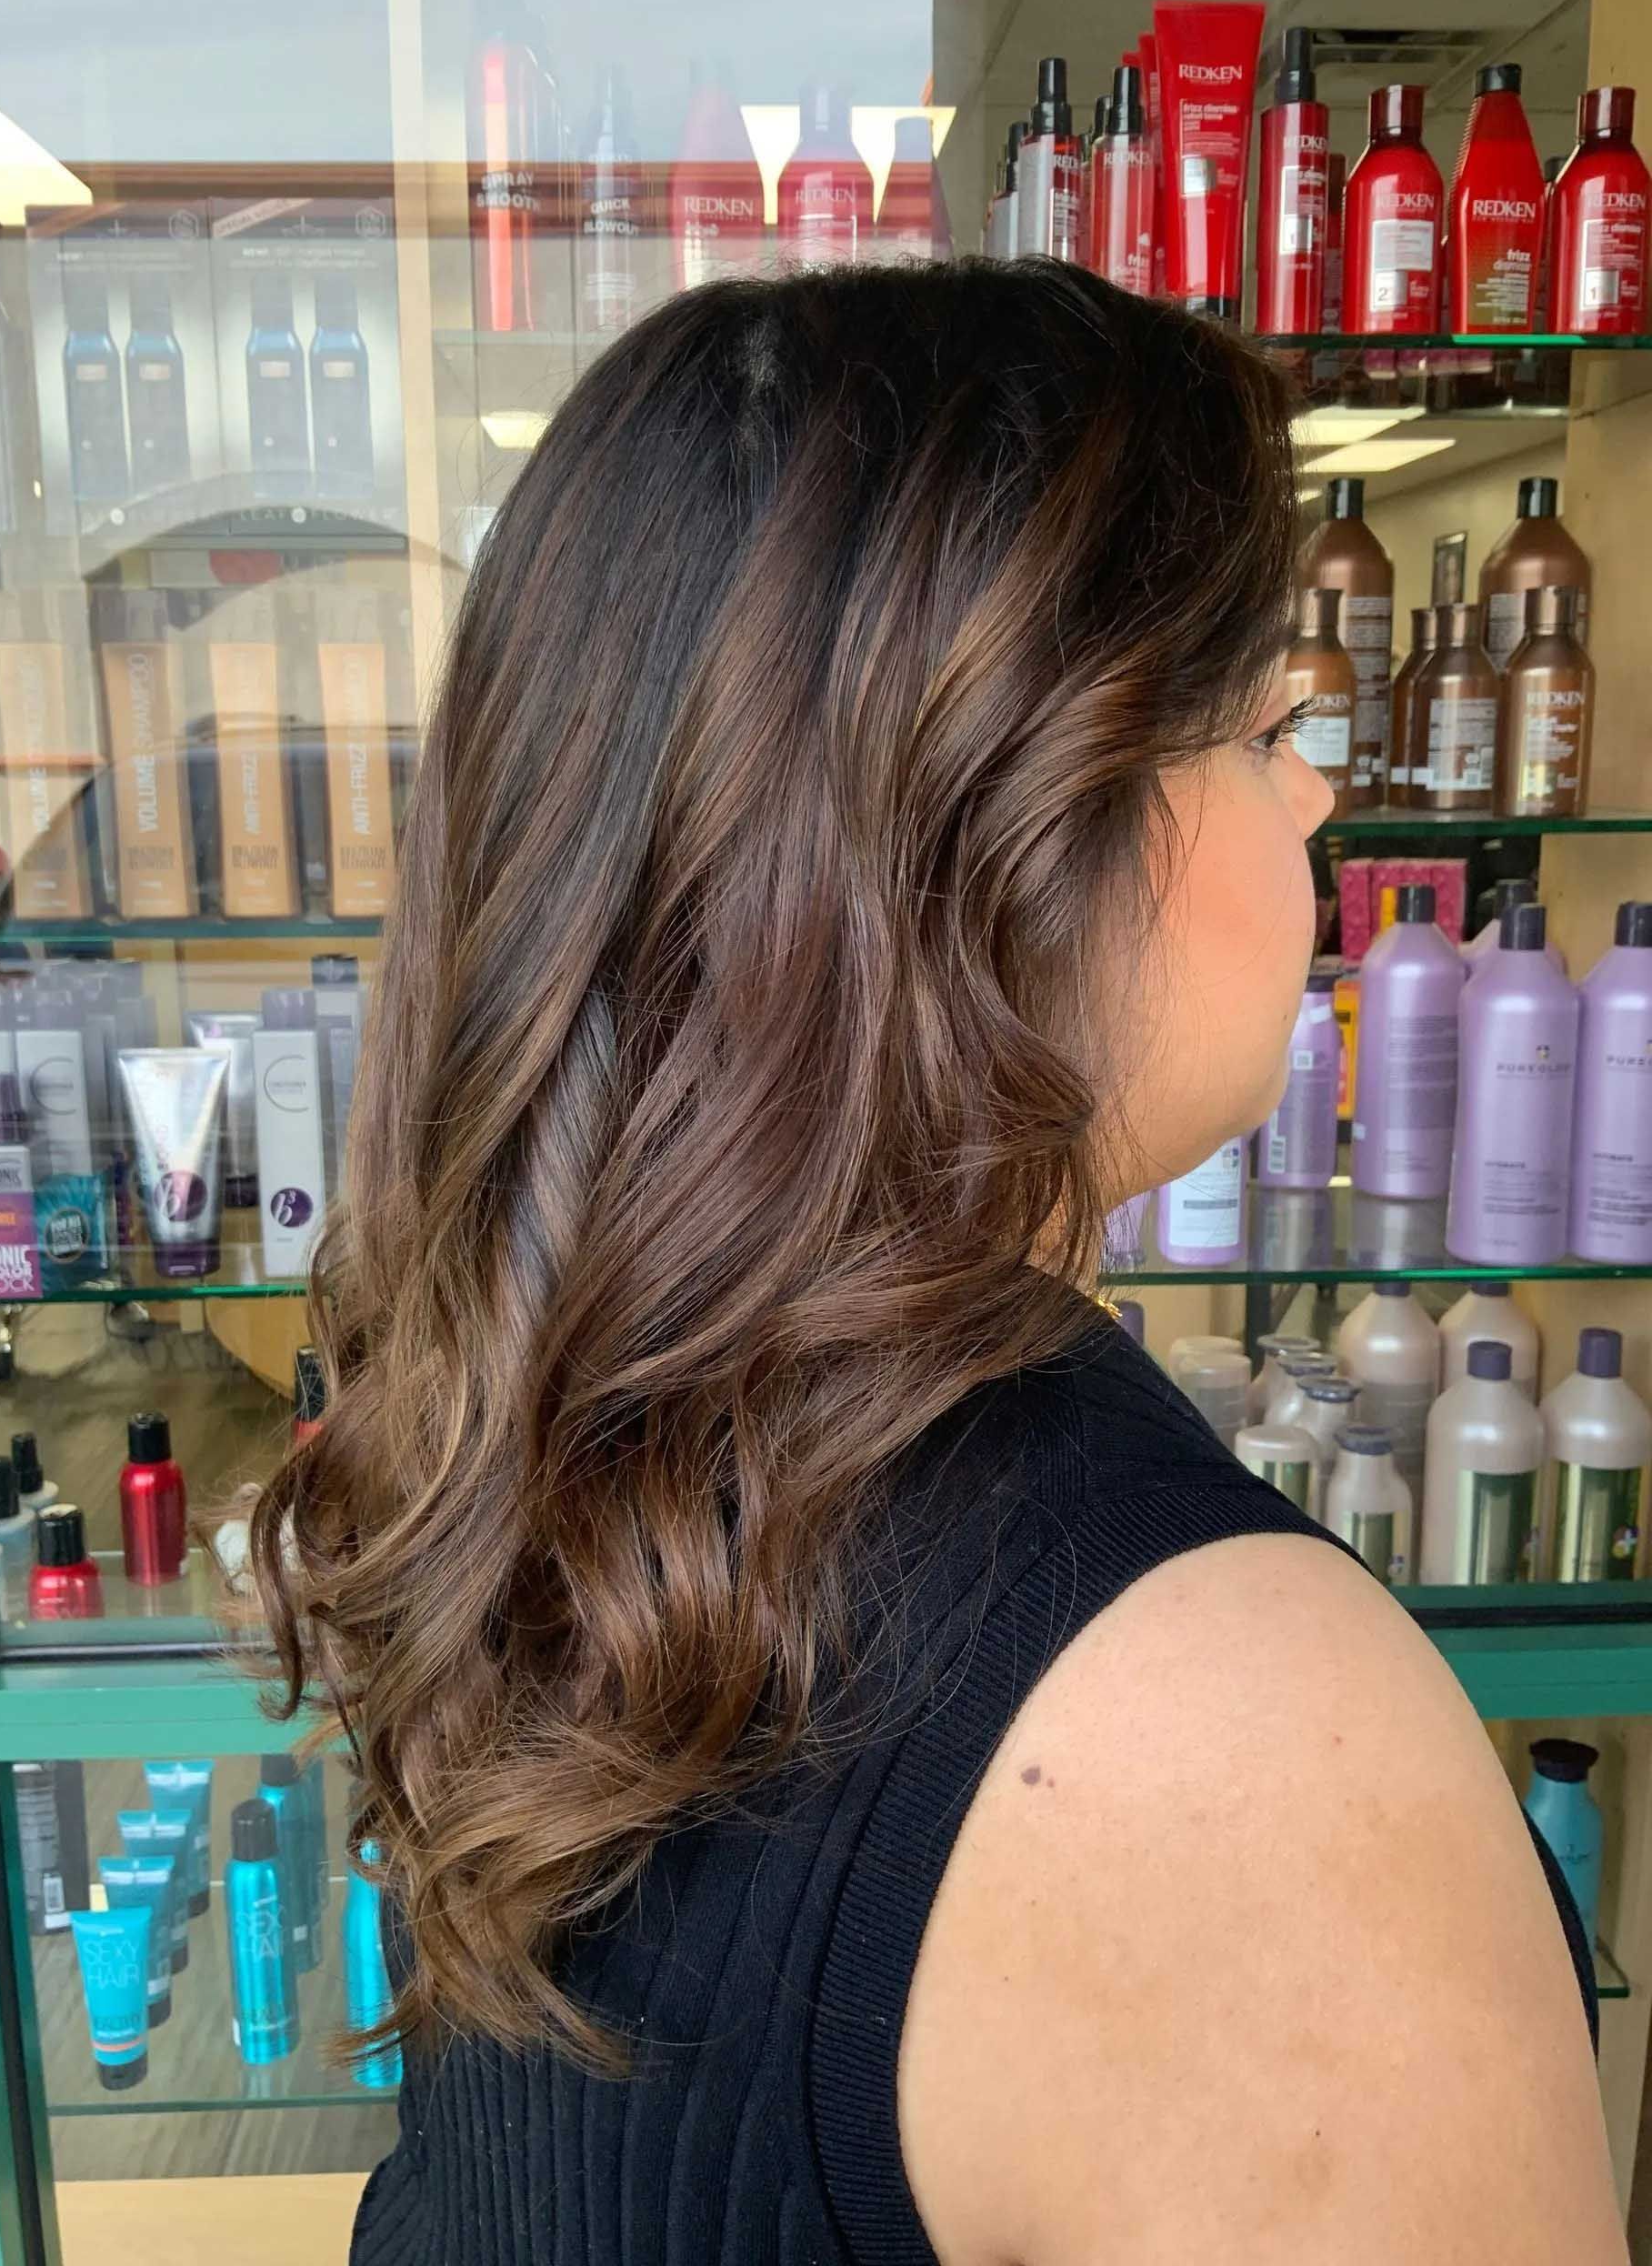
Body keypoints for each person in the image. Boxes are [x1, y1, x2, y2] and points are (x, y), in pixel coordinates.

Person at [254, 261, 1618, 2264]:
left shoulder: (565, 1420)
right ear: (995, 839)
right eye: (1263, 724)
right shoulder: (1226, 1729)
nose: (1318, 790)